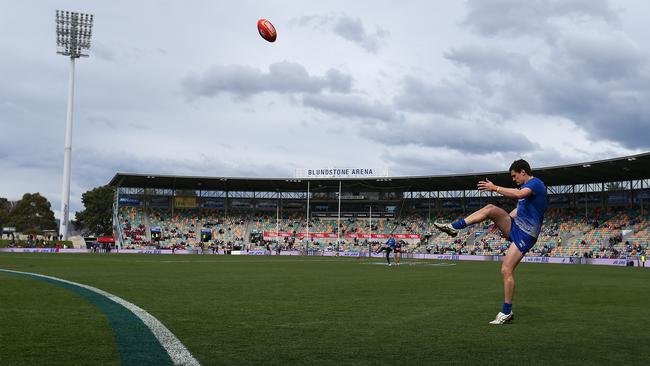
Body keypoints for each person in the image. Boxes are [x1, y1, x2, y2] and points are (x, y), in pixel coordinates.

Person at [433, 159, 547, 325]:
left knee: (506, 270)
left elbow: (518, 195)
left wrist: (495, 188)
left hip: (526, 234)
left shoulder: (536, 183)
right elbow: (519, 208)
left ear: (523, 172)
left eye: (515, 176)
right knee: (491, 209)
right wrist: (502, 219)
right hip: (516, 226)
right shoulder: (525, 187)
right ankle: (455, 227)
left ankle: (506, 312)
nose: (514, 179)